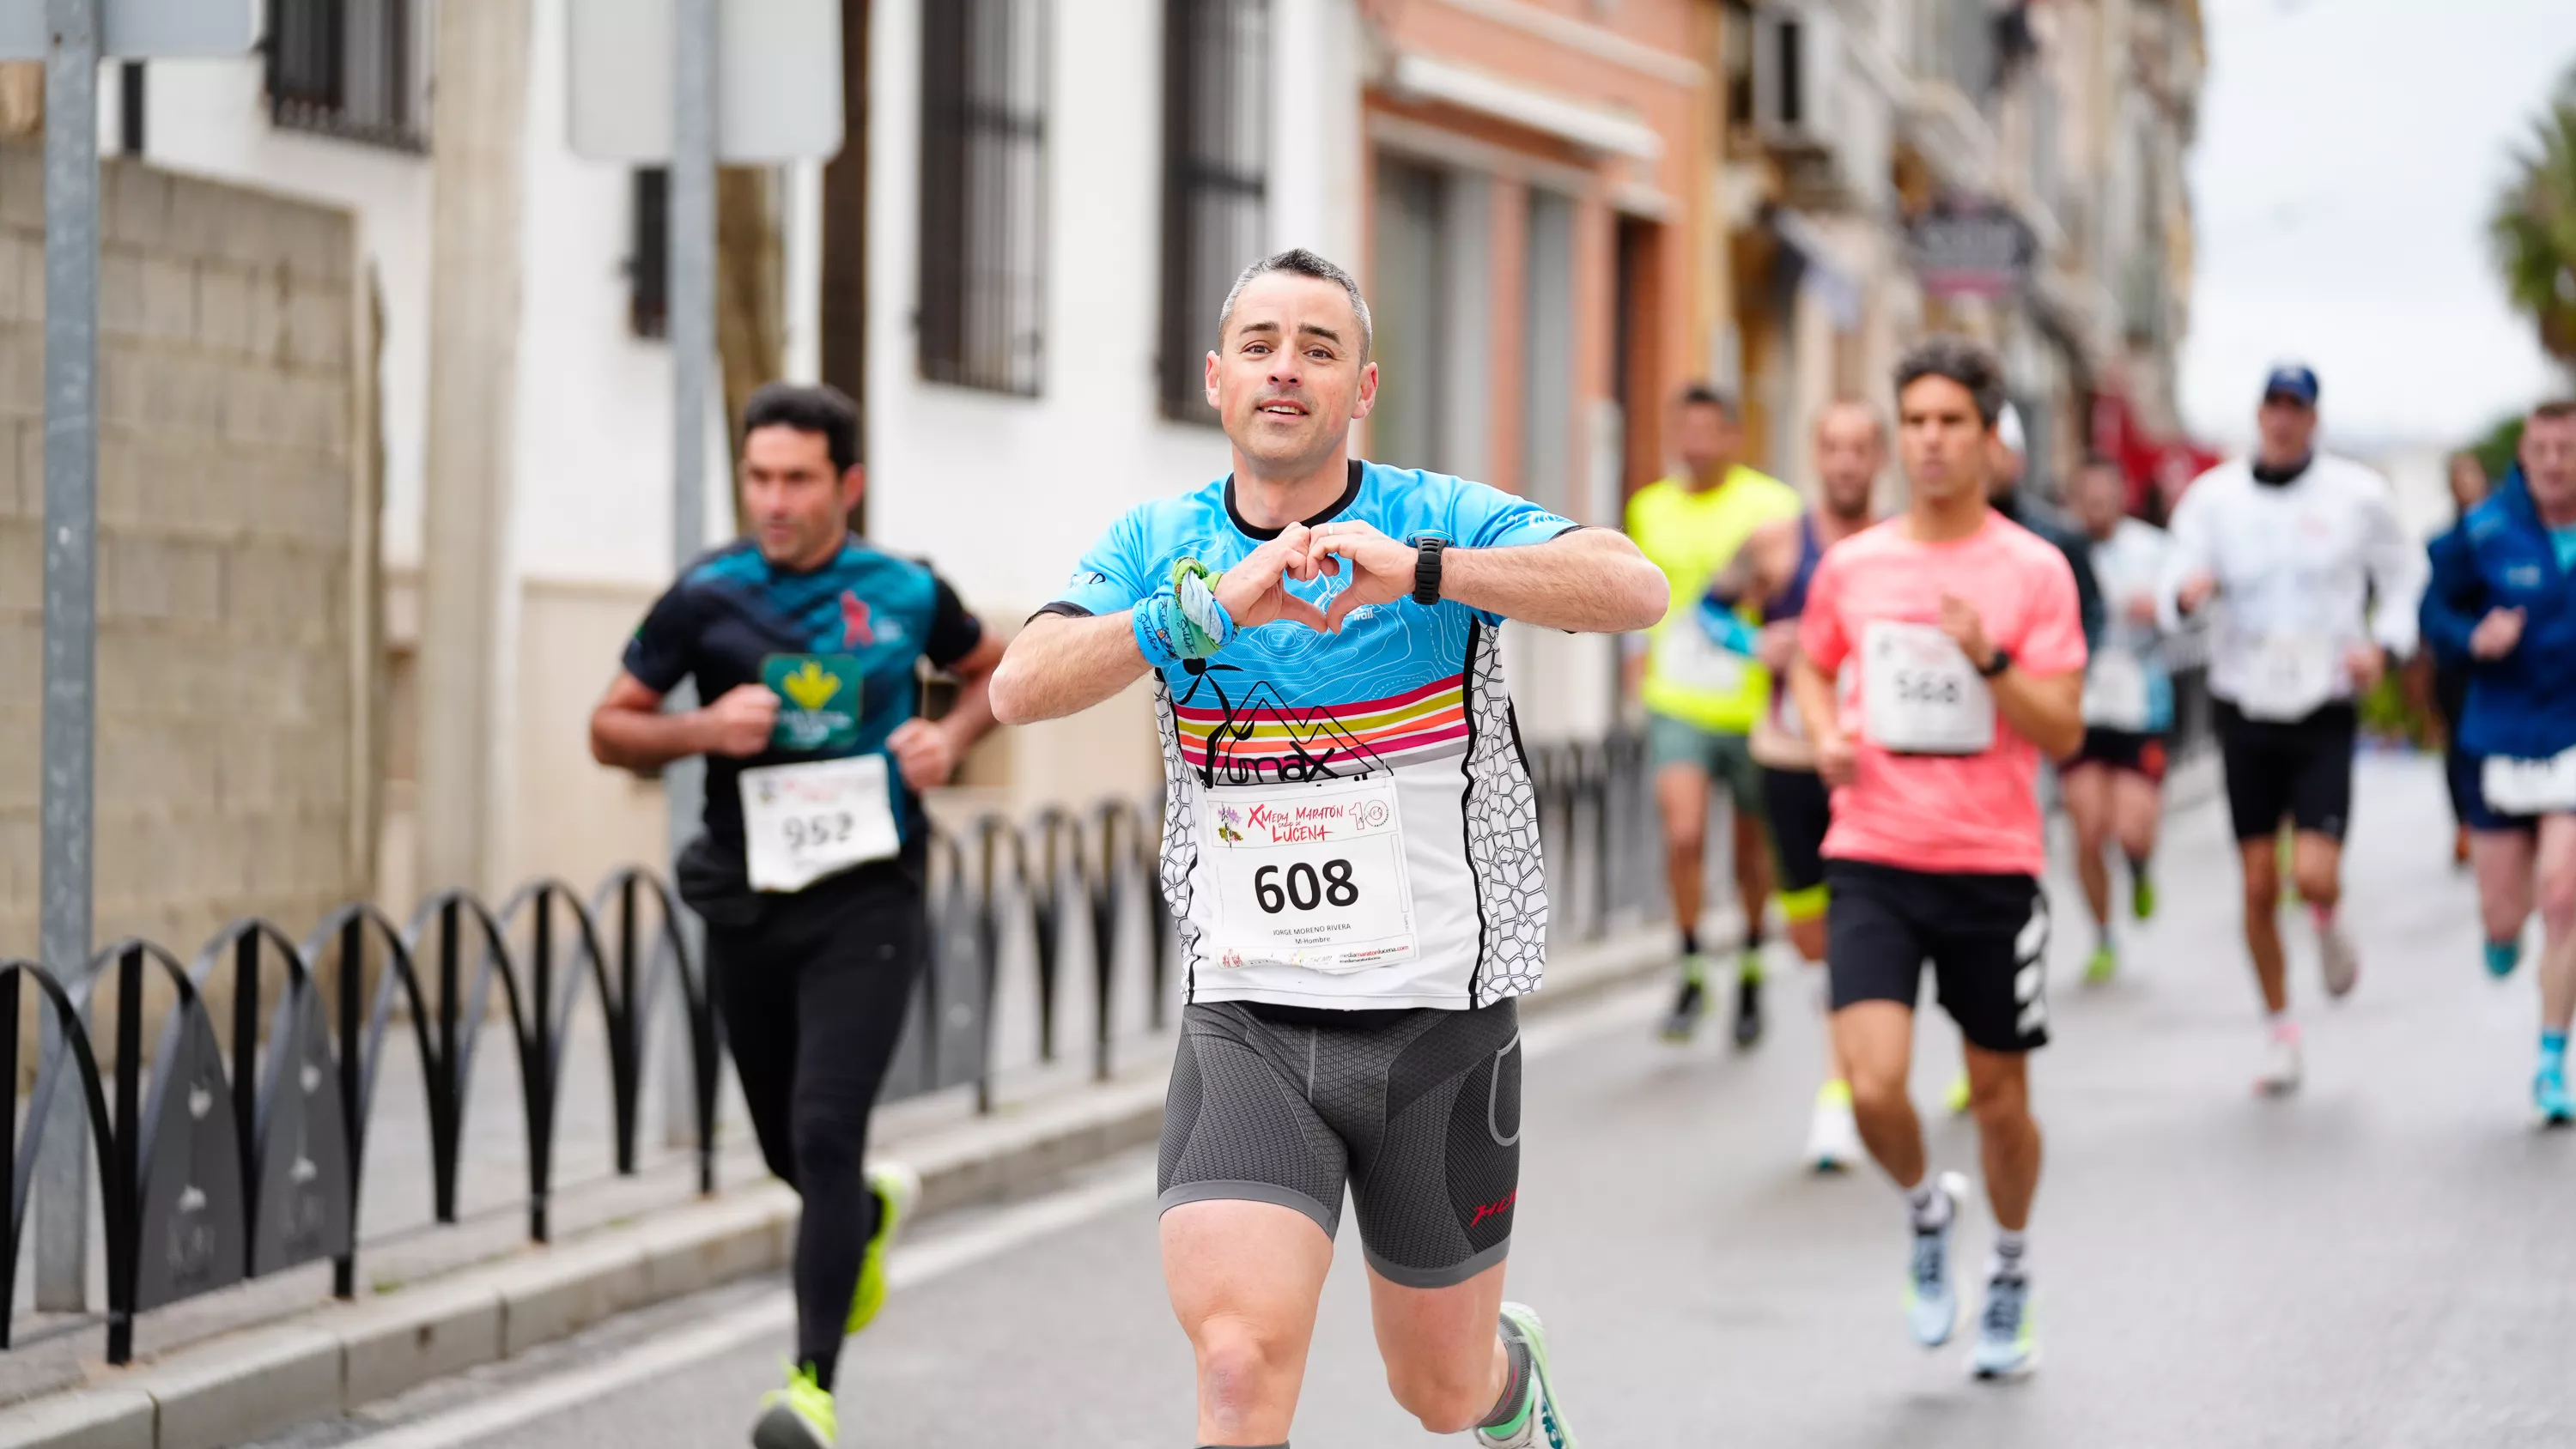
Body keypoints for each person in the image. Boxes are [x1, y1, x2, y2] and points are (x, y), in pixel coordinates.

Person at [989, 248, 1667, 1448]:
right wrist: (1207, 608)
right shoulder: (1162, 540)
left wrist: (1425, 573)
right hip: (1250, 1015)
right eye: (1258, 346)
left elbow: (1633, 587)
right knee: (1239, 1371)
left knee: (1439, 1393)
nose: (1284, 371)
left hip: (1435, 1020)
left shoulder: (1433, 517)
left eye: (1317, 348)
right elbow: (1021, 686)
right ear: (1215, 379)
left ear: (1362, 386)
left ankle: (1512, 1387)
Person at [587, 383, 1004, 1449]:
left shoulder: (906, 590)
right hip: (749, 901)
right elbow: (608, 727)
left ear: (846, 484)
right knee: (786, 1146)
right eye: (758, 476)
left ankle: (809, 1386)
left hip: (869, 898)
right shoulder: (708, 594)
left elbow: (995, 670)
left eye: (797, 478)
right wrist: (702, 731)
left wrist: (949, 740)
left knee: (826, 1129)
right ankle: (861, 1216)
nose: (773, 498)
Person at [1789, 336, 2087, 1381]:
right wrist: (1823, 729)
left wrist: (1991, 658)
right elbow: (1814, 668)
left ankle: (2008, 1265)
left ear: (1988, 436)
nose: (1928, 440)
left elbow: (2062, 729)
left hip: (1992, 866)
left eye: (1950, 421)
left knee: (2000, 1098)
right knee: (1873, 1089)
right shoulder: (1856, 564)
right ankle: (1926, 1210)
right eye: (1914, 420)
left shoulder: (2033, 569)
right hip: (1873, 850)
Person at [2158, 365, 2425, 1096]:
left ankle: (2328, 913)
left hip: (2324, 703)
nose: (2281, 421)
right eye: (2271, 407)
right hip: (2243, 703)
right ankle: (2280, 1029)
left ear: (2314, 419)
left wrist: (2387, 644)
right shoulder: (2215, 499)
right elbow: (2172, 576)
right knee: (2255, 883)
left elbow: (2405, 576)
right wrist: (2185, 594)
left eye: (2295, 409)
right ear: (2257, 416)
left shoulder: (2357, 496)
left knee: (2311, 871)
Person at [1710, 398, 1884, 1169]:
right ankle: (1845, 1016)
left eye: (1860, 449)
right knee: (1813, 936)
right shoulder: (1778, 545)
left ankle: (1838, 1096)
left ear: (1880, 459)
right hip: (1786, 757)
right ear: (1817, 455)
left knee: (1856, 931)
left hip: (1872, 766)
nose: (1846, 462)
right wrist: (1758, 642)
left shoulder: (1897, 549)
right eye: (1834, 448)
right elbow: (1708, 615)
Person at [1626, 386, 1804, 1046]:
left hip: (1754, 704)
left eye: (1709, 430)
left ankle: (1753, 961)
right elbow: (1639, 596)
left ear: (1734, 437)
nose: (1695, 444)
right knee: (1684, 834)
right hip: (1678, 701)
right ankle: (1693, 961)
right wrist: (1633, 660)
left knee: (1753, 851)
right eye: (1684, 430)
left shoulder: (1774, 507)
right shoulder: (1649, 508)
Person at [2420, 400, 2576, 1125]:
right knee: (2507, 916)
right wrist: (2470, 635)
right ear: (2524, 455)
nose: (2554, 463)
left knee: (2564, 896)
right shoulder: (2484, 531)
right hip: (2498, 739)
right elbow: (2432, 611)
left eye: (2567, 450)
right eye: (2542, 449)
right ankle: (2499, 938)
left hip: (2570, 739)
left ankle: (2551, 1060)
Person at [2061, 457, 2176, 985]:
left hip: (2139, 703)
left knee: (2131, 826)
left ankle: (2139, 865)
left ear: (2121, 496)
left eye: (2105, 498)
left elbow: (2186, 612)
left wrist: (2160, 609)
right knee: (2087, 828)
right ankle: (2103, 936)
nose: (2096, 509)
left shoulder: (2151, 549)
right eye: (2088, 499)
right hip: (2081, 706)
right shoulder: (2060, 551)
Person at [2419, 452, 2494, 868]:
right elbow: (2431, 612)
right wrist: (2470, 638)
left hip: (2500, 663)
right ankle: (2465, 822)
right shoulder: (2443, 545)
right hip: (2456, 662)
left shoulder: (2507, 535)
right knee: (2458, 745)